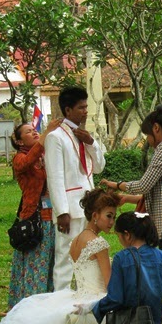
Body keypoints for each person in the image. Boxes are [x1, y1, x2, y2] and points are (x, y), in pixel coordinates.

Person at [0, 189, 120, 324]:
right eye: (109, 216)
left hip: (79, 296)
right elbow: (109, 285)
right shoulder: (99, 244)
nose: (112, 222)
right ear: (95, 215)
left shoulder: (75, 241)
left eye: (113, 217)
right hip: (95, 300)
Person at [101, 104, 162, 309]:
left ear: (155, 128)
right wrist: (126, 198)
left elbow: (144, 184)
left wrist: (116, 184)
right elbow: (160, 192)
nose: (148, 141)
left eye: (147, 135)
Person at [45, 86, 106, 291]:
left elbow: (98, 167)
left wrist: (91, 142)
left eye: (86, 106)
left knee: (89, 255)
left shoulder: (83, 136)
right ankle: (60, 302)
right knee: (65, 257)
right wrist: (61, 211)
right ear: (68, 109)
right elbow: (55, 177)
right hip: (70, 208)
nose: (85, 111)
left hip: (90, 207)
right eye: (81, 107)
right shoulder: (56, 137)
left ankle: (86, 297)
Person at [8, 119, 63, 308]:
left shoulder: (43, 155)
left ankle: (47, 301)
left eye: (35, 130)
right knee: (35, 263)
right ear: (20, 142)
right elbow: (29, 161)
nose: (34, 132)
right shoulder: (19, 159)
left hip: (51, 215)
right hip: (34, 216)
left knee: (49, 262)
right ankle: (30, 304)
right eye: (28, 131)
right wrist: (47, 132)